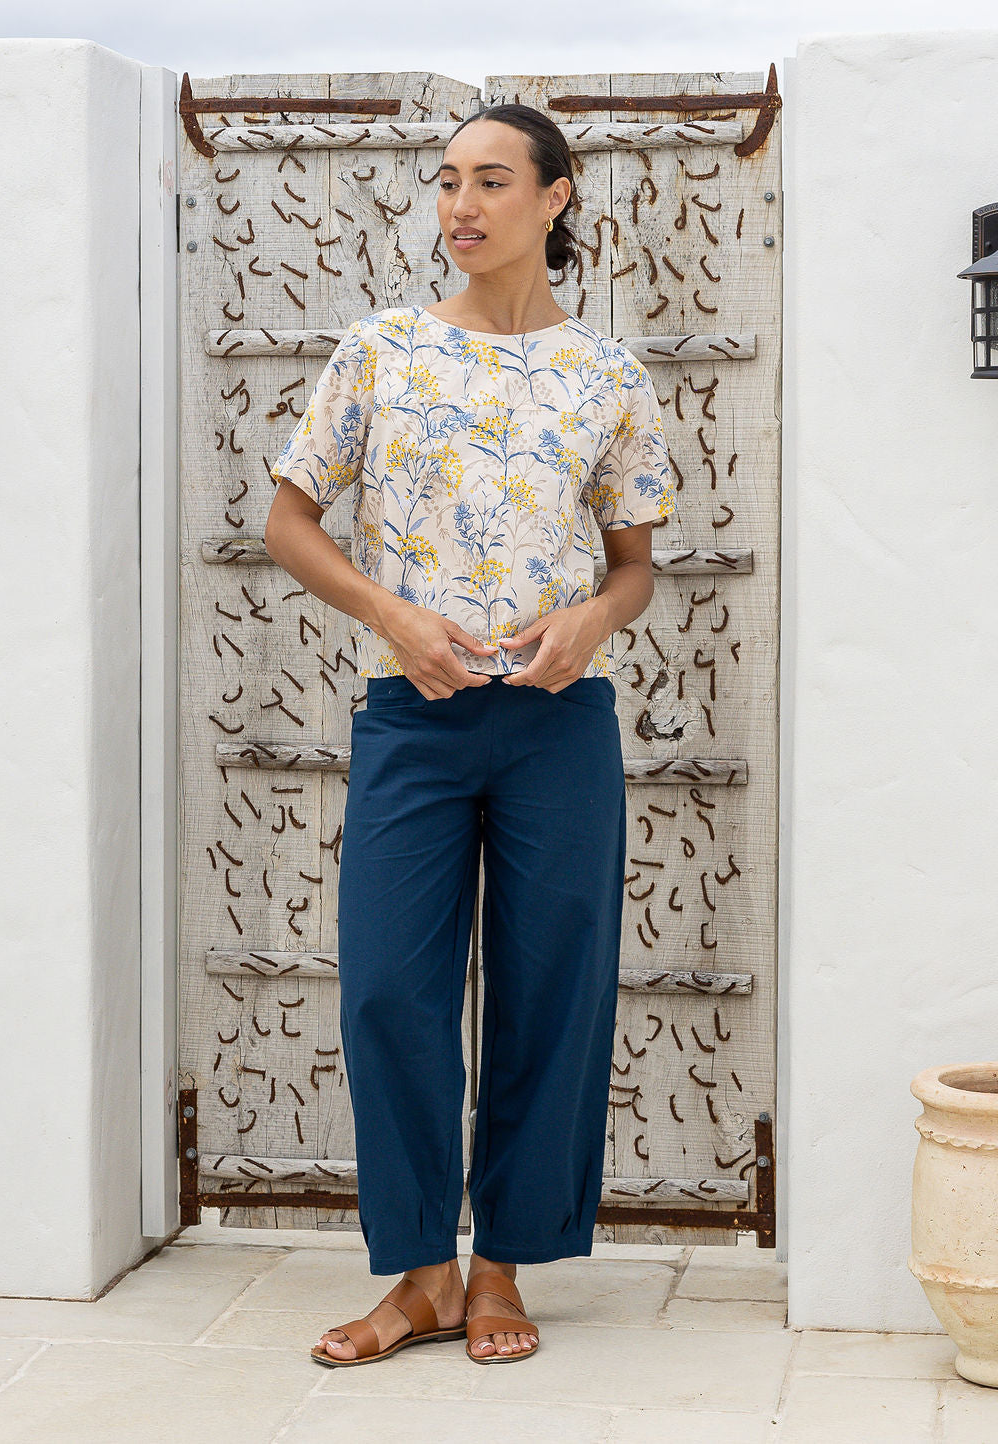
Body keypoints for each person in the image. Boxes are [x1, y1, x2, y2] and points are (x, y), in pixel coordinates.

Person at [263, 101, 676, 1368]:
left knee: (549, 995)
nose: (460, 206)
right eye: (446, 181)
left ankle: (499, 1271)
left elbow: (633, 568)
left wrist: (589, 629)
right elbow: (290, 523)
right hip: (414, 718)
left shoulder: (607, 376)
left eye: (491, 181)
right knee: (391, 985)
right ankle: (419, 1275)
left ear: (554, 200)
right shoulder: (381, 352)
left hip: (557, 724)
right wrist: (393, 612)